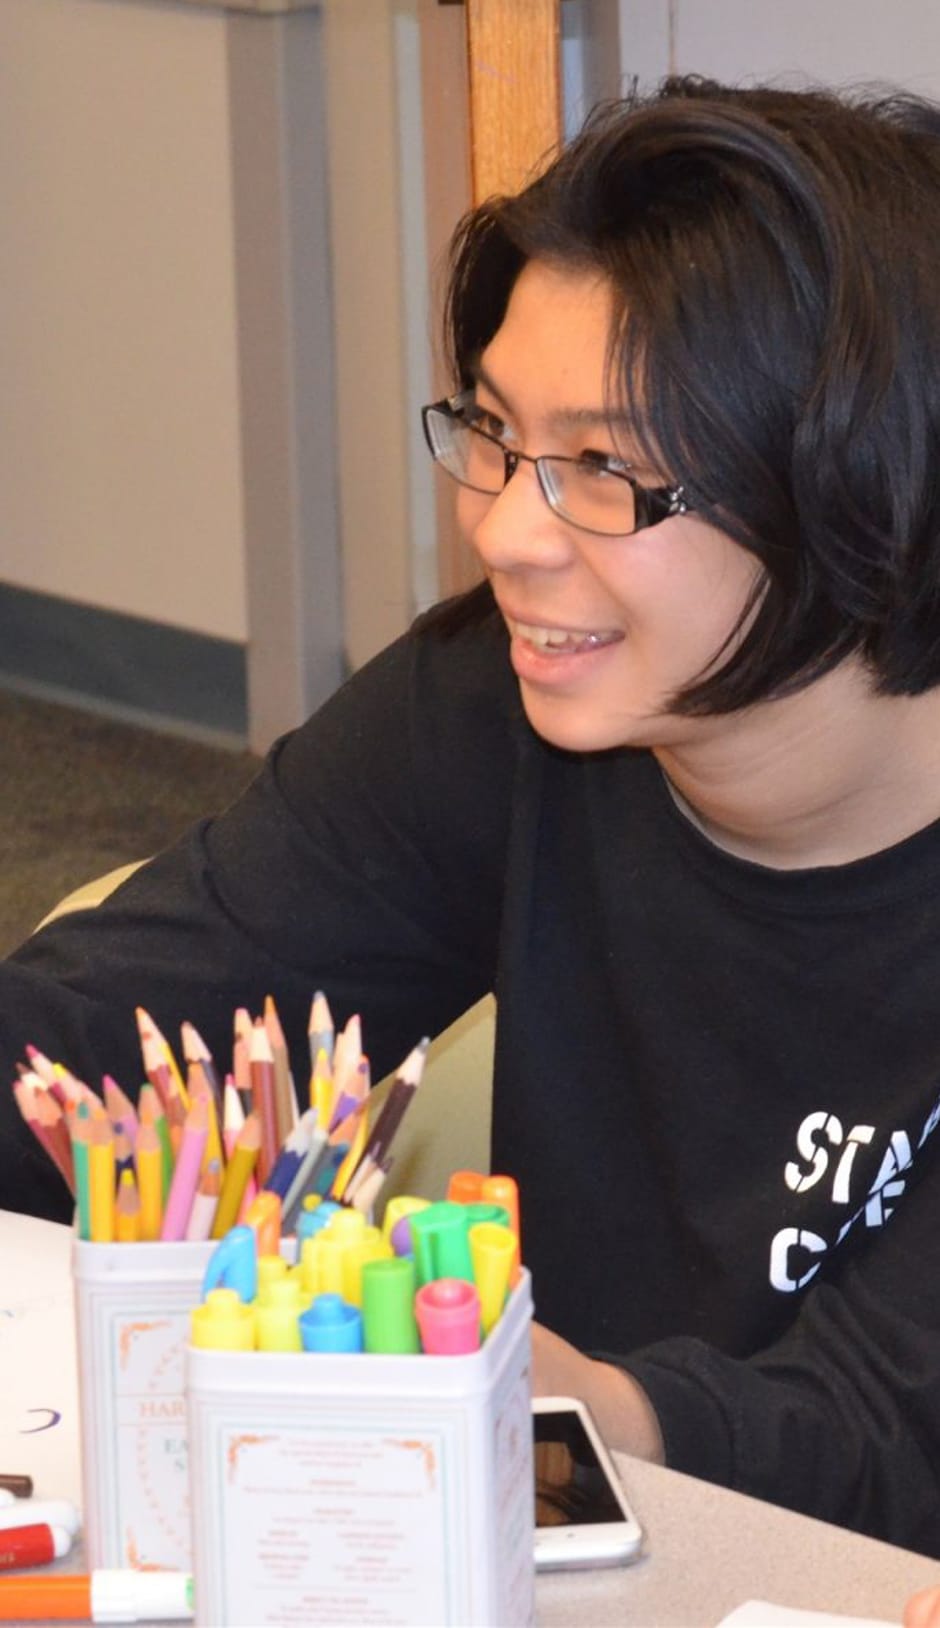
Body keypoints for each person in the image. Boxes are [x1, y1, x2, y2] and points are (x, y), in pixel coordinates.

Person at [5, 73, 940, 1557]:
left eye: (607, 471)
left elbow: (894, 1436)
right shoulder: (492, 710)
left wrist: (566, 1407)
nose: (505, 530)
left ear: (863, 493)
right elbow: (115, 1030)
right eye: (497, 435)